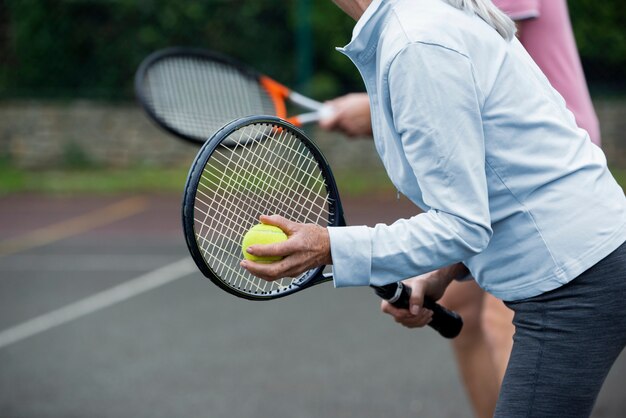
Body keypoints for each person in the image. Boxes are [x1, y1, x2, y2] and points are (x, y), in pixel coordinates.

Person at [240, 0, 626, 416]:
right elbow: (493, 182)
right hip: (589, 261)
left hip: (577, 279)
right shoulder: (417, 23)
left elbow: (462, 224)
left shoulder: (415, 40)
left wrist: (330, 245)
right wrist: (440, 271)